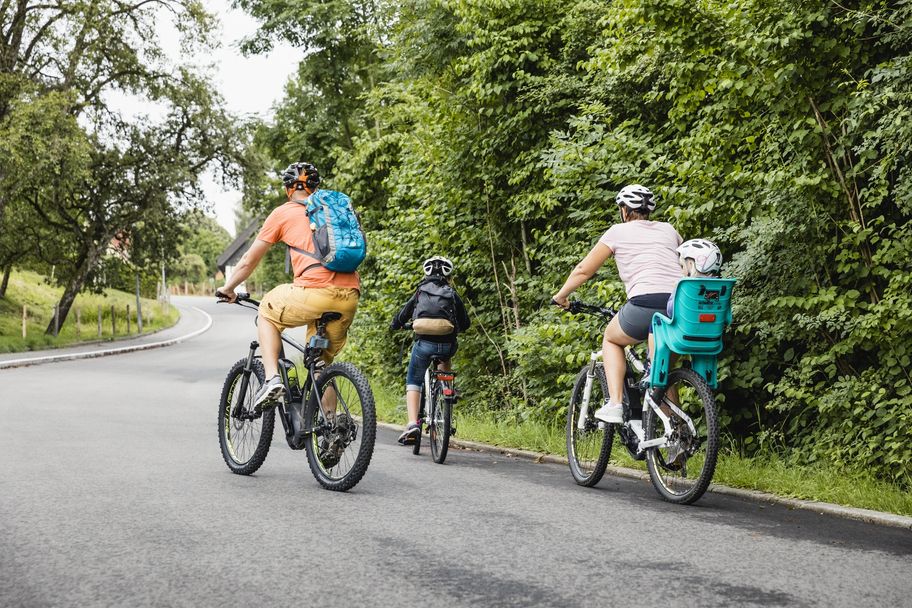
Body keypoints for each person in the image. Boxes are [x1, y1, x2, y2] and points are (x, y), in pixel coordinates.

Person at [218, 162, 361, 409]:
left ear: (288, 189)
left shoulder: (283, 213)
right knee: (321, 367)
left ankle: (272, 378)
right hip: (349, 295)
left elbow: (247, 261)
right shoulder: (334, 213)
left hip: (314, 293)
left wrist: (228, 288)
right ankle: (332, 431)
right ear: (316, 186)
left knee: (266, 310)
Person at [552, 184, 682, 423]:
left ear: (624, 210)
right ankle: (676, 434)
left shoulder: (617, 232)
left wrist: (561, 296)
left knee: (611, 338)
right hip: (679, 307)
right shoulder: (668, 229)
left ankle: (614, 404)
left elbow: (584, 270)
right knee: (661, 372)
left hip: (644, 305)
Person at [390, 256, 470, 445]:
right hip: (447, 345)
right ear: (447, 275)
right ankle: (446, 389)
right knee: (445, 357)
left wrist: (397, 324)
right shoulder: (451, 293)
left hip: (423, 345)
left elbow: (404, 313)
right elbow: (465, 322)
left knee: (413, 380)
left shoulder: (420, 291)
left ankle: (412, 424)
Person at [665, 238, 723, 318]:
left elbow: (671, 312)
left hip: (685, 329)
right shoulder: (721, 286)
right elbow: (726, 316)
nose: (682, 271)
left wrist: (676, 289)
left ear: (690, 264)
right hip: (713, 329)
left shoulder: (684, 285)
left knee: (654, 322)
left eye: (682, 266)